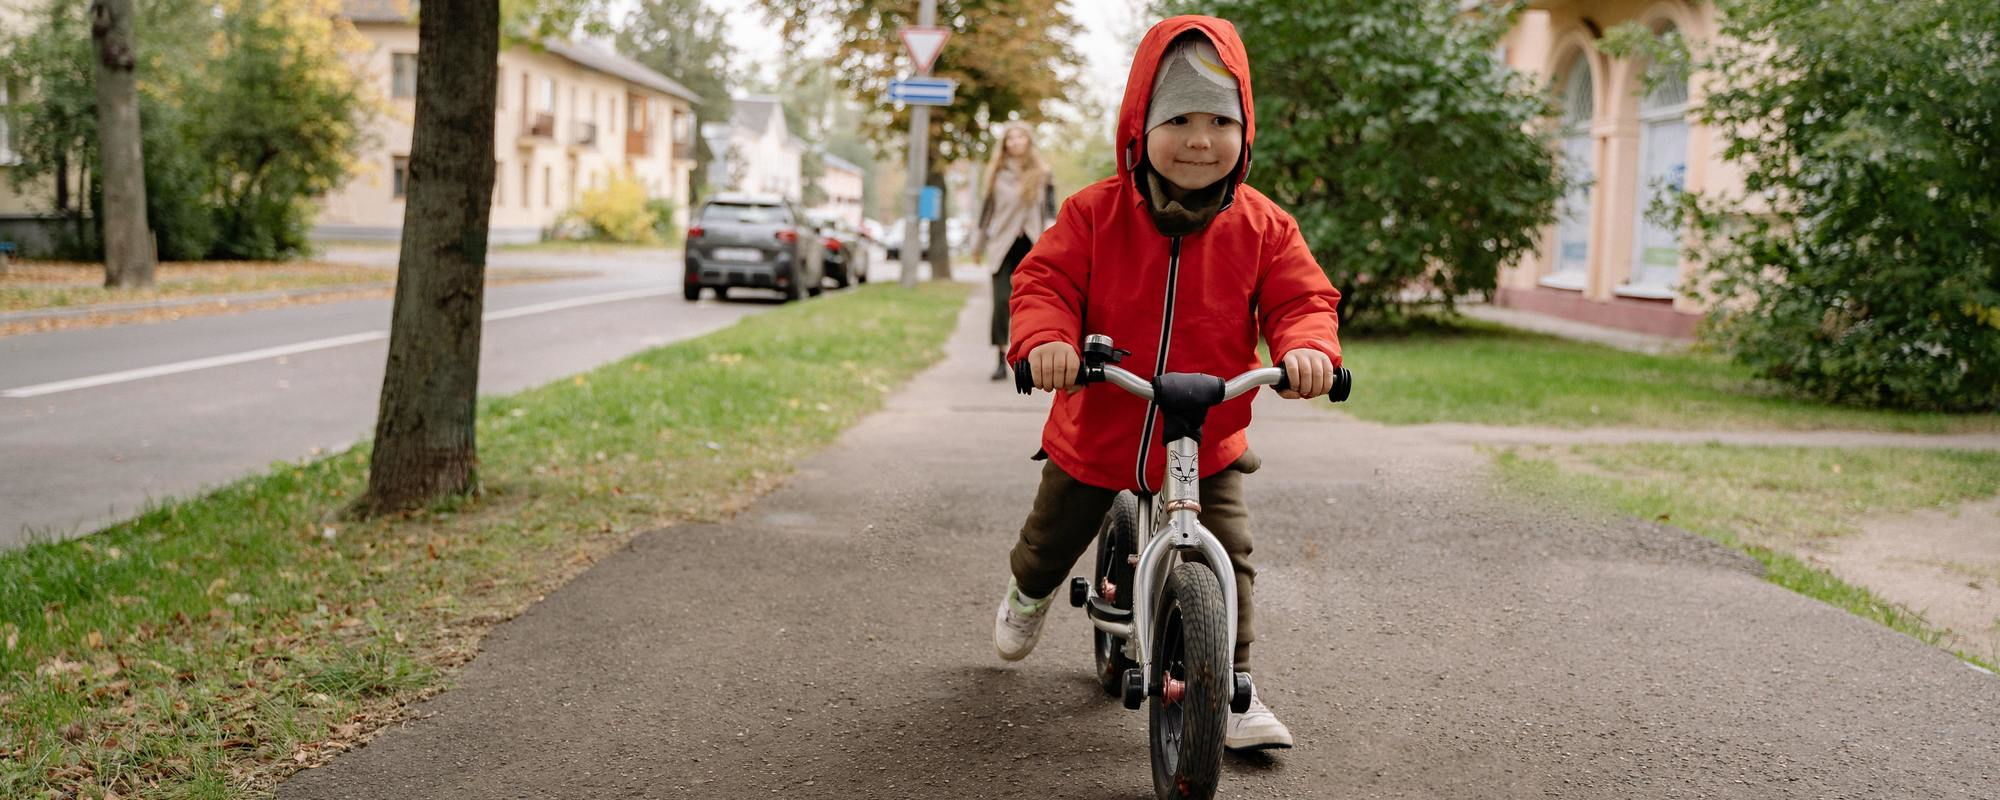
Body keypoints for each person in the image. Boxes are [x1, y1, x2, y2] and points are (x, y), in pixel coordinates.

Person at [991, 15, 1342, 752]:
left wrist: (1308, 348)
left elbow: (1301, 300)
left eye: (1219, 120)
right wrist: (1047, 340)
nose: (1199, 138)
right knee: (1051, 536)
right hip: (1102, 424)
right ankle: (1029, 594)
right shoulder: (1093, 215)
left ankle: (1232, 689)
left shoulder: (1265, 228)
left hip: (1206, 434)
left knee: (1230, 553)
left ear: (1244, 131)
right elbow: (1043, 281)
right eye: (1177, 118)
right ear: (1139, 125)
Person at [976, 122, 1057, 381]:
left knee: (1032, 304)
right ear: (1005, 144)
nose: (1016, 141)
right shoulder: (996, 175)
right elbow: (986, 213)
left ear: (1028, 141)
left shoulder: (1042, 173)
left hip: (1033, 245)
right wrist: (977, 246)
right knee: (1001, 303)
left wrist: (1055, 243)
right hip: (1002, 246)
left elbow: (1050, 211)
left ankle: (1027, 357)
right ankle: (1000, 357)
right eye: (1010, 138)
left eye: (1021, 136)